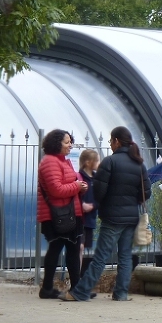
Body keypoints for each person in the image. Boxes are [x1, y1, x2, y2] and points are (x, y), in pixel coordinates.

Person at [62, 126, 151, 302]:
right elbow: (146, 192)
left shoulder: (109, 162)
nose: (110, 144)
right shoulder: (139, 163)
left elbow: (99, 191)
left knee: (101, 256)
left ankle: (80, 292)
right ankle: (121, 293)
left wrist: (105, 202)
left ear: (117, 141)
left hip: (112, 217)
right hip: (131, 217)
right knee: (125, 257)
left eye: (111, 141)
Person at [37, 129, 87, 299]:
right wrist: (77, 187)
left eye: (70, 141)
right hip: (58, 215)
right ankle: (72, 289)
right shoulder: (50, 162)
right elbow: (56, 189)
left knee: (64, 249)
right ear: (56, 143)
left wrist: (79, 187)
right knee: (65, 250)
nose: (70, 145)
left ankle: (52, 288)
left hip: (69, 213)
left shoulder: (64, 161)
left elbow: (70, 183)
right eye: (67, 142)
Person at [78, 148, 100, 271]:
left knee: (83, 247)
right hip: (79, 218)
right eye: (96, 161)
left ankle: (77, 277)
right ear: (88, 162)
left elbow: (101, 197)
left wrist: (93, 206)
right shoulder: (79, 177)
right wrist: (81, 204)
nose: (98, 163)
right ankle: (74, 278)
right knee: (79, 247)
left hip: (90, 218)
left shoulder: (96, 179)